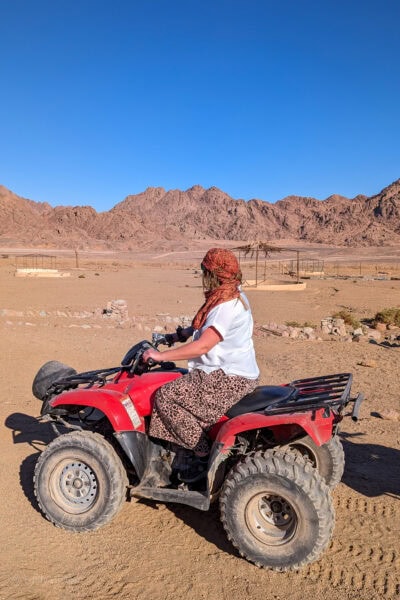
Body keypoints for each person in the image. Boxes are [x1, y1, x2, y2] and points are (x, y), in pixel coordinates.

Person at [142, 247, 259, 480]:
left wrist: (160, 356)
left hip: (227, 378)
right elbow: (202, 326)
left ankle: (201, 454)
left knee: (165, 397)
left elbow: (204, 345)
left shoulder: (226, 306)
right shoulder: (229, 294)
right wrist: (176, 336)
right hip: (234, 371)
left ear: (214, 274)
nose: (202, 275)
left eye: (204, 270)